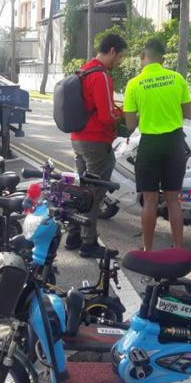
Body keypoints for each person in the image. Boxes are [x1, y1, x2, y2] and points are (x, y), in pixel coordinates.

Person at [122, 38, 191, 250]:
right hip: (174, 143)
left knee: (150, 200)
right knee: (173, 200)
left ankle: (147, 249)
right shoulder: (177, 78)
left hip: (150, 144)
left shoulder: (134, 84)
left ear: (143, 56)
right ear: (163, 58)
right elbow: (188, 113)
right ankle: (179, 247)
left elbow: (131, 124)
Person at [66, 33, 127, 258]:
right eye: (119, 57)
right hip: (96, 141)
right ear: (112, 51)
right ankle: (88, 242)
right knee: (94, 193)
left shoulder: (84, 70)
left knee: (80, 189)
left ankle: (73, 234)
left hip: (78, 138)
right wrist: (122, 116)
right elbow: (106, 116)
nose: (119, 62)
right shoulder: (101, 75)